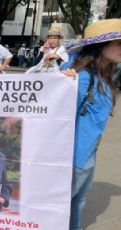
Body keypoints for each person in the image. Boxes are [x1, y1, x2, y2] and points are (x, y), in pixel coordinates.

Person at [60, 18, 121, 230]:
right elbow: (60, 118)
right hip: (75, 156)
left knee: (79, 201)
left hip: (89, 153)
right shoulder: (84, 77)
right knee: (63, 205)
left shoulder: (106, 75)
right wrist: (63, 80)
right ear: (102, 46)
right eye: (119, 44)